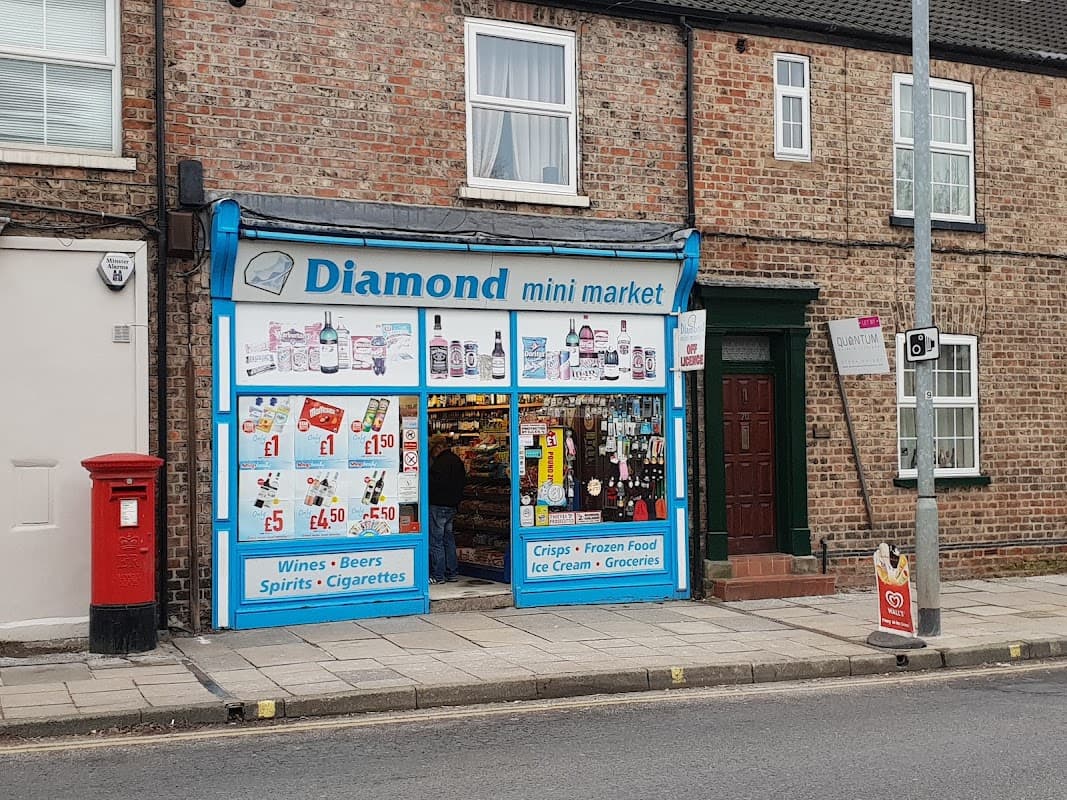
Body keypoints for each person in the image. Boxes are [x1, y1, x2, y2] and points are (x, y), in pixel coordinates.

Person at [428, 433, 466, 584]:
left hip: (438, 505)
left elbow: (435, 484)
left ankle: (438, 575)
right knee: (448, 539)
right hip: (452, 505)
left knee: (436, 540)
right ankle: (452, 572)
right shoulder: (456, 460)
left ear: (437, 447)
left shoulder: (439, 463)